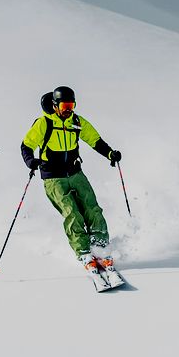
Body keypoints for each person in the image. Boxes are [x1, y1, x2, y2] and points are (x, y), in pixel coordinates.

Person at [20, 85, 122, 271]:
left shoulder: (76, 121)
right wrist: (31, 161)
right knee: (72, 213)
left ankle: (100, 248)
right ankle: (84, 253)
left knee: (92, 208)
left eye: (71, 105)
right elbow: (26, 145)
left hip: (75, 172)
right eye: (65, 106)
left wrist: (109, 154)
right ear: (55, 105)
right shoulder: (45, 123)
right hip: (54, 178)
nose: (68, 110)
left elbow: (94, 140)